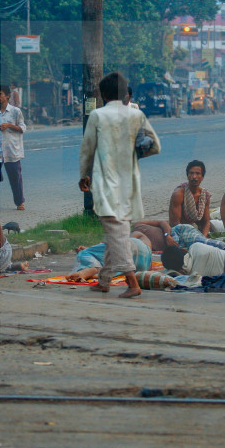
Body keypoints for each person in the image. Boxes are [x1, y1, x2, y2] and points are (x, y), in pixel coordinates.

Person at [78, 72, 160, 298]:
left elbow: (87, 150)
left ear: (103, 94)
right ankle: (104, 280)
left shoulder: (97, 116)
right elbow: (154, 147)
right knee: (117, 231)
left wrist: (84, 175)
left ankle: (132, 283)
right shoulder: (136, 115)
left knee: (118, 234)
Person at [0, 85, 26, 211]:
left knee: (15, 177)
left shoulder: (15, 112)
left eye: (0, 94)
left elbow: (22, 128)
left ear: (7, 96)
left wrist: (9, 125)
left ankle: (19, 201)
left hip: (11, 149)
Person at [169, 160, 212, 236]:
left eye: (197, 173)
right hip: (181, 232)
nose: (194, 177)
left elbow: (206, 221)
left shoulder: (205, 195)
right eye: (191, 173)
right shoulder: (179, 194)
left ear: (202, 177)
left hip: (198, 231)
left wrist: (203, 237)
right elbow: (175, 223)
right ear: (187, 175)